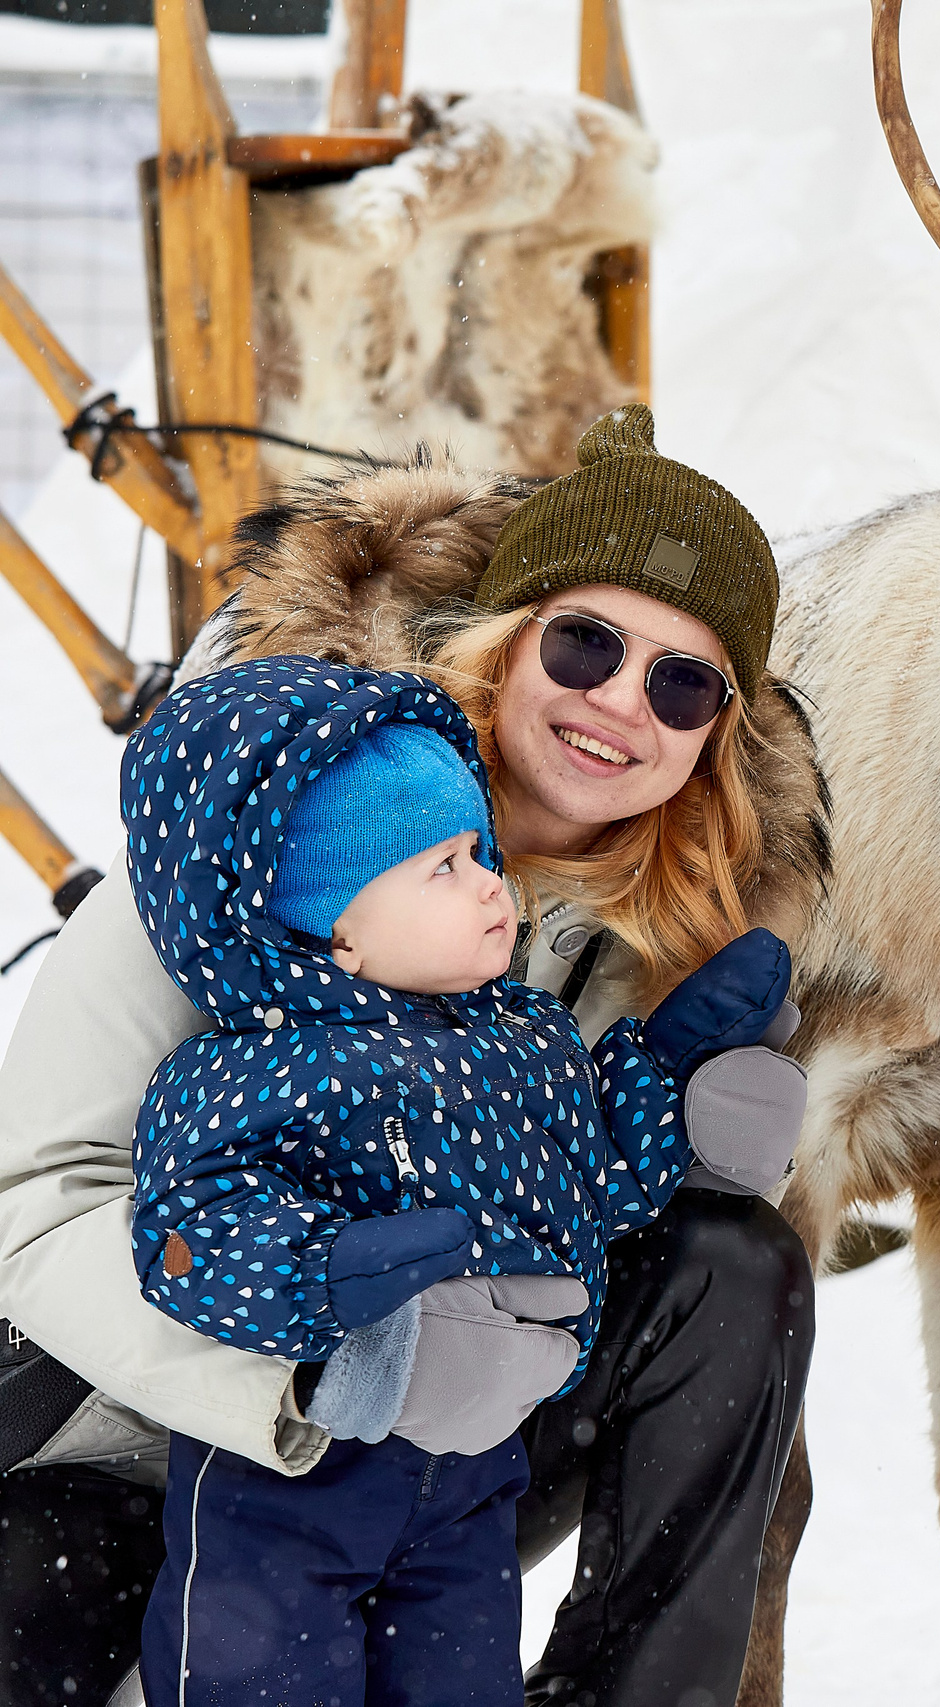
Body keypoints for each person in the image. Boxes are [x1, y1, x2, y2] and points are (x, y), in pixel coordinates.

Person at [0, 405, 832, 1707]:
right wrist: (320, 1369)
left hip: (441, 1461)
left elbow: (619, 1210)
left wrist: (696, 1113)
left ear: (716, 732)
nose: (622, 702)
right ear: (507, 639)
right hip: (124, 1432)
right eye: (588, 642)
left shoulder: (665, 941)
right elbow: (39, 1199)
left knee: (736, 1264)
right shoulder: (274, 819)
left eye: (682, 680)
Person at [123, 656, 799, 1703]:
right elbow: (189, 1236)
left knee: (457, 1679)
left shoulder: (520, 1041)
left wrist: (669, 1072)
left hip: (473, 1484)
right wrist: (330, 1278)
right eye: (442, 867)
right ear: (330, 933)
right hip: (297, 1470)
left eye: (478, 850)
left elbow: (593, 1187)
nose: (492, 882)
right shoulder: (251, 1067)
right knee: (259, 1673)